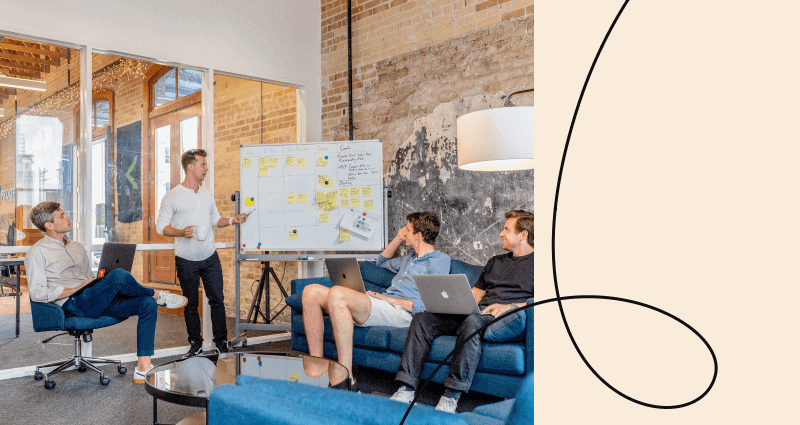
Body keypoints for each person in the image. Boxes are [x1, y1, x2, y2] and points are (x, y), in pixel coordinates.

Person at [25, 201, 188, 383]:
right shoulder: (36, 252)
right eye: (62, 215)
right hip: (73, 304)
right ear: (49, 225)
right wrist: (76, 288)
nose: (68, 216)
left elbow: (88, 278)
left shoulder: (76, 247)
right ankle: (156, 294)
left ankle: (143, 367)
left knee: (146, 304)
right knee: (119, 276)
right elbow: (37, 293)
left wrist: (98, 282)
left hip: (92, 298)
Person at [390, 210, 534, 413]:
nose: (501, 233)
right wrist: (454, 304)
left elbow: (544, 301)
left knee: (473, 322)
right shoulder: (495, 262)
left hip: (506, 318)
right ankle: (406, 387)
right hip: (477, 315)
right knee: (423, 319)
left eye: (506, 229)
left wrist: (509, 307)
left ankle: (451, 396)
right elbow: (475, 295)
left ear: (523, 234)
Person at [302, 211, 451, 390]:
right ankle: (317, 362)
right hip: (384, 305)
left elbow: (431, 304)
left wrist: (390, 300)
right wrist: (397, 238)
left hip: (403, 313)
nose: (404, 231)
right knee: (311, 291)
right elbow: (380, 262)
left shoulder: (439, 261)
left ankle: (346, 376)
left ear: (418, 236)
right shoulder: (409, 260)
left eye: (408, 229)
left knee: (338, 294)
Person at [156, 149, 248, 356]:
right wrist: (180, 232)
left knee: (217, 300)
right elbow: (160, 227)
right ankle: (195, 344)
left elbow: (216, 220)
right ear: (191, 167)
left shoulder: (206, 194)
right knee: (190, 303)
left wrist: (233, 220)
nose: (206, 169)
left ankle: (221, 342)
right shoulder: (172, 196)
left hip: (209, 257)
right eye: (203, 165)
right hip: (186, 260)